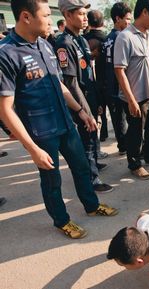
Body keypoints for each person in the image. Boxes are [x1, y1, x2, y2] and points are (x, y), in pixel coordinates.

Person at [0, 0, 118, 239]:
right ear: (26, 17)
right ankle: (61, 220)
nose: (51, 21)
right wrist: (32, 148)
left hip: (65, 123)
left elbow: (60, 84)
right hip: (41, 133)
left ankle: (92, 205)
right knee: (52, 180)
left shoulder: (44, 45)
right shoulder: (7, 53)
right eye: (46, 15)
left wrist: (80, 111)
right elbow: (5, 109)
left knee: (82, 167)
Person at [55, 0, 113, 193]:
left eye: (85, 14)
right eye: (80, 14)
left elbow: (89, 73)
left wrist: (96, 102)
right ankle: (92, 179)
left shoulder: (80, 40)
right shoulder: (64, 43)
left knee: (92, 137)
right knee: (87, 140)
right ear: (67, 15)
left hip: (90, 98)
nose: (84, 18)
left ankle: (94, 164)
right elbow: (70, 83)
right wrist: (84, 111)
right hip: (79, 103)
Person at [114, 0, 149, 180]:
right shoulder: (125, 37)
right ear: (144, 12)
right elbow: (119, 70)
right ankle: (134, 163)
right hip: (135, 96)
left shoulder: (148, 36)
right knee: (135, 131)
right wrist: (132, 99)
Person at [102, 2, 132, 155]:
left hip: (110, 85)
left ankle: (123, 145)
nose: (129, 22)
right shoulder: (121, 38)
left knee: (118, 119)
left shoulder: (107, 38)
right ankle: (125, 147)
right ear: (117, 18)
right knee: (123, 119)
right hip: (118, 85)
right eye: (127, 19)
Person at [83, 10, 108, 143]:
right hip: (106, 79)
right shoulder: (107, 39)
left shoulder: (83, 40)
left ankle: (100, 134)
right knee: (110, 109)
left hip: (90, 82)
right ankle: (108, 134)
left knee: (96, 109)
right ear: (103, 22)